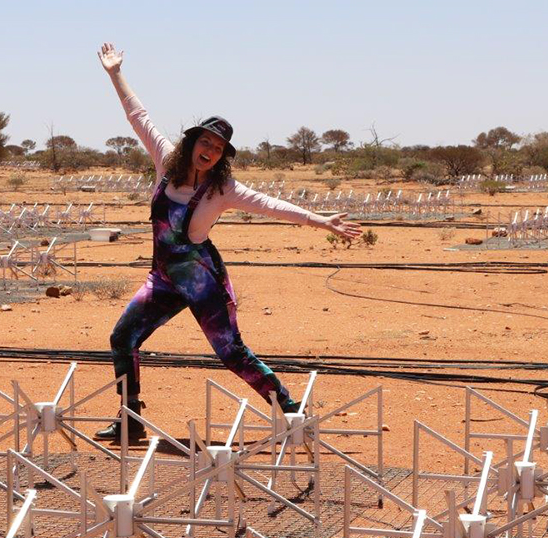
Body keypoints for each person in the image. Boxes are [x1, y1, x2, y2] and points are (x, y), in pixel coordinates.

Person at [93, 43, 362, 441]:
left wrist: (319, 220)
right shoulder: (165, 161)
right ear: (192, 142)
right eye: (206, 143)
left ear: (223, 157)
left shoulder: (224, 189)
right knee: (123, 337)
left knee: (231, 353)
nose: (210, 152)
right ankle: (130, 418)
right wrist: (115, 73)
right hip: (164, 278)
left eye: (218, 149)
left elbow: (270, 205)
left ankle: (290, 411)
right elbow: (139, 116)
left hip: (201, 280)